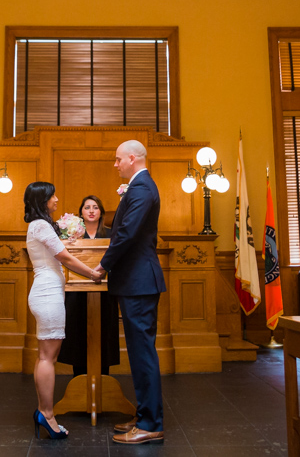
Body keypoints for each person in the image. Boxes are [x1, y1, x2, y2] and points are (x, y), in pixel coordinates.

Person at [93, 140, 166, 445]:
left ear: (132, 159)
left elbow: (126, 234)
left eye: (118, 159)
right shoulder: (140, 187)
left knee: (142, 353)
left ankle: (150, 424)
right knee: (138, 353)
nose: (115, 164)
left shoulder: (141, 188)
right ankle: (144, 415)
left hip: (138, 281)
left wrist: (102, 266)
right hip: (136, 281)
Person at [24, 181, 103, 440]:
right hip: (47, 295)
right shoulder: (40, 225)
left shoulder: (40, 226)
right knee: (48, 357)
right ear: (42, 200)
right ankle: (47, 415)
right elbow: (65, 257)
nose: (57, 199)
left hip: (46, 292)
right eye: (52, 196)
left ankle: (43, 412)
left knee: (45, 356)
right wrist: (93, 273)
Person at [58, 195, 121, 376]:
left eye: (95, 207)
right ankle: (78, 379)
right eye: (87, 207)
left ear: (101, 211)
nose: (91, 211)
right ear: (81, 213)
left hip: (105, 293)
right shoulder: (71, 236)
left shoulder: (112, 234)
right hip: (77, 294)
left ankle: (104, 378)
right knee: (78, 336)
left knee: (104, 336)